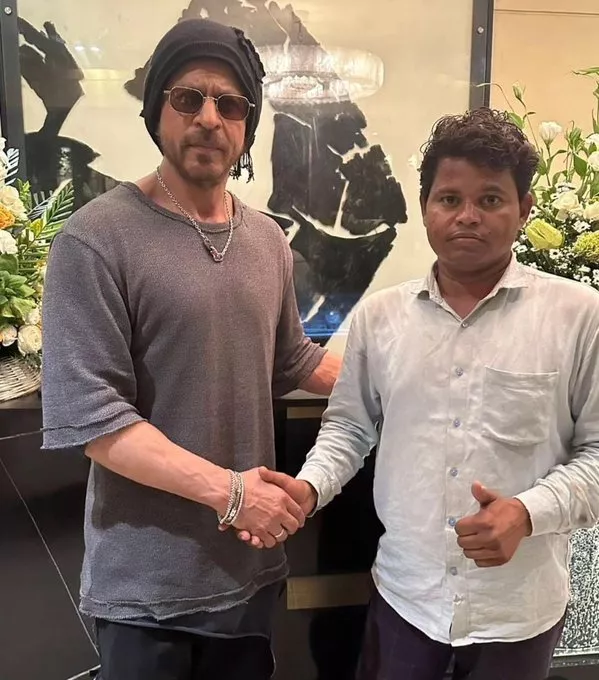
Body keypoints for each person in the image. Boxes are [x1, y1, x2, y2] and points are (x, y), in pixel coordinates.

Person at [239, 108, 599, 679]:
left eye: (490, 199)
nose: (468, 216)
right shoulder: (380, 318)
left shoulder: (580, 316)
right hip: (406, 601)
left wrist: (528, 513)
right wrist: (308, 488)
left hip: (517, 612)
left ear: (525, 209)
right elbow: (349, 427)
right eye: (450, 199)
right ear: (426, 205)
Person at [40, 18, 340, 680]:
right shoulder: (94, 240)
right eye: (188, 98)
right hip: (145, 592)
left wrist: (410, 369)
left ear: (247, 127)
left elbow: (295, 360)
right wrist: (232, 493)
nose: (209, 118)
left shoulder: (267, 240)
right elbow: (96, 421)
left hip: (247, 572)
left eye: (229, 104)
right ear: (157, 111)